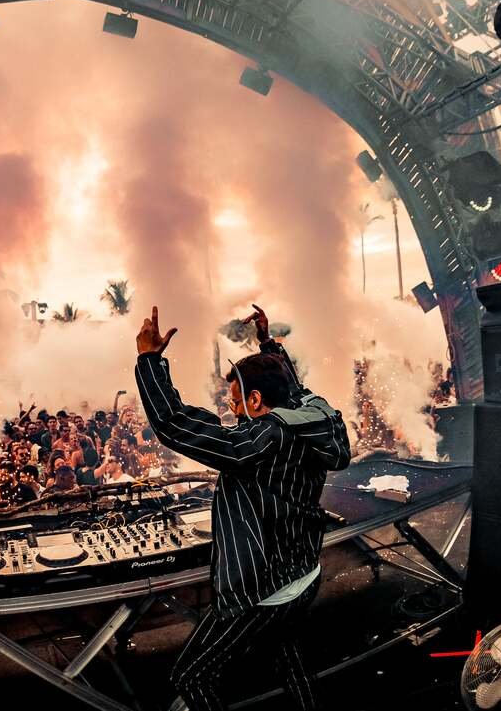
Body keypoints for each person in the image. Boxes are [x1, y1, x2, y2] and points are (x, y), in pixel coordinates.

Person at [135, 305, 350, 711]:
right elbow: (293, 390)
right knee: (287, 656)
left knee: (191, 676)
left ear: (255, 399)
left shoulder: (261, 441)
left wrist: (149, 362)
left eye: (236, 402)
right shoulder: (315, 415)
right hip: (303, 573)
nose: (232, 411)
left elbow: (176, 425)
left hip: (262, 591)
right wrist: (269, 347)